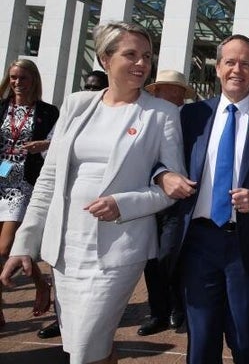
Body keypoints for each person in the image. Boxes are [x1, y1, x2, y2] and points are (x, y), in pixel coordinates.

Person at [0, 21, 185, 364]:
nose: (142, 63)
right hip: (66, 248)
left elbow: (173, 187)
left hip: (119, 249)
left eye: (146, 56)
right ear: (105, 58)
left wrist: (123, 204)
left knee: (85, 348)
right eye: (131, 54)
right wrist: (24, 244)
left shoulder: (163, 114)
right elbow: (49, 179)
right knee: (87, 346)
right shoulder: (76, 104)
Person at [156, 34, 249, 364]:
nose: (238, 69)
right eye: (230, 62)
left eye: (246, 63)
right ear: (218, 67)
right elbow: (159, 159)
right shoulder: (190, 117)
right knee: (201, 342)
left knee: (247, 341)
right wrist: (163, 176)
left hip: (248, 246)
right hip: (198, 243)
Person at [37, 70, 108, 340]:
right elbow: (51, 154)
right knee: (63, 269)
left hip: (104, 212)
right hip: (65, 207)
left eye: (96, 87)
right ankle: (62, 320)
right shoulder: (72, 112)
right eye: (87, 87)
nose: (90, 92)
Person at [135, 69, 196, 336]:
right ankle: (158, 312)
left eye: (175, 89)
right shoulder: (145, 119)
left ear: (182, 95)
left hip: (181, 202)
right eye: (164, 88)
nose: (170, 93)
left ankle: (177, 308)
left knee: (170, 255)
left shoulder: (194, 121)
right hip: (148, 198)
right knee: (151, 258)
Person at [0, 59, 59, 328]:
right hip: (0, 177)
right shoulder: (2, 108)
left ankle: (38, 284)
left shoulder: (47, 112)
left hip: (23, 183)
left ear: (33, 80)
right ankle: (38, 284)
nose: (17, 83)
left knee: (5, 246)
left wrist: (44, 144)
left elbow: (61, 144)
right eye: (13, 77)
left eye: (23, 78)